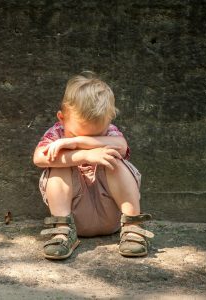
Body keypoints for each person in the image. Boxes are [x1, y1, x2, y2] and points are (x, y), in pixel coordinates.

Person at [32, 71, 154, 260]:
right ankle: (63, 232)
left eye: (97, 135)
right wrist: (85, 154)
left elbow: (122, 147)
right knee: (57, 165)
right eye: (77, 134)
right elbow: (39, 158)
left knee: (113, 159)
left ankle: (133, 228)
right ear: (62, 118)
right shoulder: (57, 133)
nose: (88, 139)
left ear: (109, 121)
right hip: (73, 216)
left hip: (112, 214)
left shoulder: (111, 133)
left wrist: (77, 140)